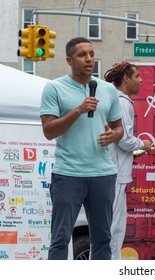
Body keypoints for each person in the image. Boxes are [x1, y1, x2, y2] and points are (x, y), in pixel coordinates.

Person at [40, 37, 124, 260]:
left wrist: (112, 135)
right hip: (68, 174)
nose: (89, 59)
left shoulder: (107, 90)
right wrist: (78, 110)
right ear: (69, 60)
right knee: (60, 238)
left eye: (91, 54)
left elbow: (119, 128)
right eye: (82, 55)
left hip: (103, 174)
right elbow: (48, 131)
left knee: (103, 239)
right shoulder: (54, 88)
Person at [104, 61, 152, 260]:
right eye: (137, 76)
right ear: (125, 78)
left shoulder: (116, 99)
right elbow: (123, 139)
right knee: (113, 229)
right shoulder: (122, 101)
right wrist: (144, 144)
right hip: (115, 174)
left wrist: (133, 152)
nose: (141, 80)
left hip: (114, 170)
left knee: (114, 227)